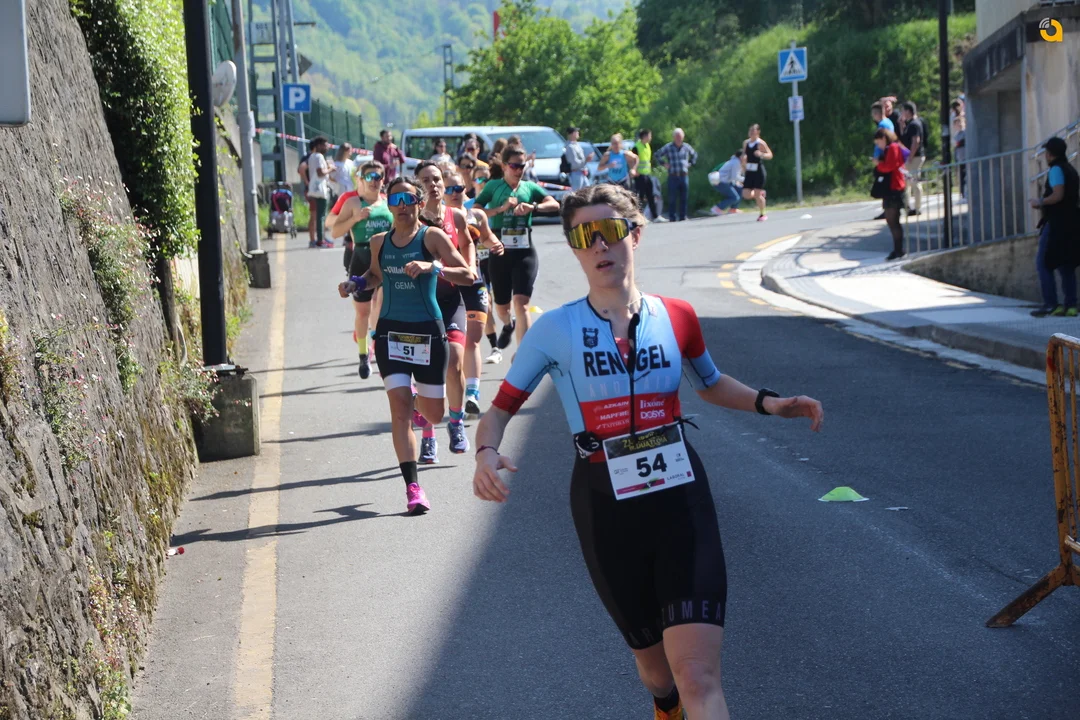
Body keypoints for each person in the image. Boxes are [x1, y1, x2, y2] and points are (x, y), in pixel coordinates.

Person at [472, 183, 824, 720]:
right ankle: (665, 706)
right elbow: (499, 411)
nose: (598, 245)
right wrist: (486, 452)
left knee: (697, 675)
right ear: (574, 248)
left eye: (609, 231)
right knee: (658, 674)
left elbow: (709, 383)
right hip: (604, 509)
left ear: (634, 235)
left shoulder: (676, 315)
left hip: (680, 498)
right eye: (583, 236)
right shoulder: (553, 330)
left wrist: (770, 403)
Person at [337, 176, 475, 513]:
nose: (401, 206)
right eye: (395, 200)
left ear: (419, 203)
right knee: (398, 411)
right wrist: (355, 284)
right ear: (389, 204)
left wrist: (435, 266)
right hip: (391, 334)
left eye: (408, 199)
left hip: (428, 332)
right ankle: (413, 488)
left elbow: (468, 274)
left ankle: (416, 401)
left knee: (434, 414)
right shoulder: (379, 242)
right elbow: (375, 275)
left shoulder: (432, 237)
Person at [474, 145, 560, 353]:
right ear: (504, 166)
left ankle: (523, 354)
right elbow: (476, 211)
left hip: (524, 251)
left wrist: (534, 207)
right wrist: (501, 209)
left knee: (521, 303)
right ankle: (508, 323)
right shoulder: (494, 186)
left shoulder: (529, 187)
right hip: (500, 252)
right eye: (514, 166)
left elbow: (554, 204)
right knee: (502, 307)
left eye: (522, 166)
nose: (519, 170)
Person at [416, 161, 473, 460]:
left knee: (455, 362)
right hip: (420, 304)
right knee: (426, 370)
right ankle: (428, 435)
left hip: (450, 300)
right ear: (418, 187)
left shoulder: (456, 215)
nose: (434, 185)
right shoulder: (410, 221)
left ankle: (456, 421)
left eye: (437, 179)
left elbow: (467, 242)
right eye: (426, 180)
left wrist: (470, 267)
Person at [444, 169, 505, 417]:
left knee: (473, 339)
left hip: (475, 283)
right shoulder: (437, 218)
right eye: (449, 189)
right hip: (448, 285)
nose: (455, 193)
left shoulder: (476, 215)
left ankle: (472, 393)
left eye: (459, 188)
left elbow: (488, 238)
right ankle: (449, 391)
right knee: (453, 346)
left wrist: (496, 245)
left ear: (466, 188)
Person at [330, 161, 394, 378]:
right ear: (362, 179)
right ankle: (363, 355)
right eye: (370, 177)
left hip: (386, 259)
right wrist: (355, 218)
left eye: (378, 177)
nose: (374, 181)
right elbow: (335, 232)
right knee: (363, 311)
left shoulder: (389, 203)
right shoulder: (353, 202)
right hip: (361, 257)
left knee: (382, 307)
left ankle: (379, 347)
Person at [1029, 136, 1080, 317]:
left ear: (1050, 154)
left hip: (1057, 223)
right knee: (1066, 264)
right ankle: (1071, 305)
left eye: (1046, 152)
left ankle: (1051, 304)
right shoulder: (1070, 169)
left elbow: (1058, 195)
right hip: (1072, 222)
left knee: (1044, 263)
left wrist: (1040, 202)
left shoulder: (1056, 170)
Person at [873, 128, 907, 261]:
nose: (878, 146)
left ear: (883, 138)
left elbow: (890, 166)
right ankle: (897, 249)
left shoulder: (893, 147)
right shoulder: (891, 148)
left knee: (893, 220)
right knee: (891, 220)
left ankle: (899, 249)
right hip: (892, 187)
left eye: (878, 142)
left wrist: (878, 165)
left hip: (894, 186)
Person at [655, 128, 698, 222]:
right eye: (677, 136)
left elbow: (694, 154)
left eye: (680, 137)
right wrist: (664, 163)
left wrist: (690, 163)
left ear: (683, 137)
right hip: (673, 175)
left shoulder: (686, 147)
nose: (679, 138)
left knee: (684, 197)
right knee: (672, 198)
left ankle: (683, 216)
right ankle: (672, 217)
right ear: (673, 137)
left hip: (684, 175)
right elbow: (657, 155)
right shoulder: (668, 147)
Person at [306, 136, 334, 248]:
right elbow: (320, 173)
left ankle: (319, 238)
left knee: (317, 215)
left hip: (314, 189)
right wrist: (330, 168)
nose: (327, 147)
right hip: (321, 190)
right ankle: (320, 240)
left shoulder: (312, 156)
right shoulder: (319, 156)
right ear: (319, 146)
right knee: (321, 216)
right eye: (325, 145)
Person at [741, 125, 773, 222]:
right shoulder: (746, 143)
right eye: (750, 131)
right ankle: (760, 194)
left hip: (758, 171)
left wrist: (761, 154)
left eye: (753, 131)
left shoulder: (760, 143)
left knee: (757, 194)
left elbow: (770, 155)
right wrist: (743, 160)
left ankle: (763, 214)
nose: (751, 133)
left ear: (758, 132)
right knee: (745, 194)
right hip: (749, 171)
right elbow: (744, 154)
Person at [899, 102, 926, 217]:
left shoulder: (915, 124)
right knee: (907, 182)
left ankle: (917, 207)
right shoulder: (910, 124)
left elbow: (916, 141)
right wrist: (902, 125)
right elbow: (904, 137)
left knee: (914, 181)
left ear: (908, 111)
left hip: (915, 157)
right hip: (912, 156)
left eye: (903, 111)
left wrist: (910, 157)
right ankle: (908, 207)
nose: (902, 113)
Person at [634, 129, 663, 222]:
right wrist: (635, 171)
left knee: (651, 195)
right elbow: (632, 160)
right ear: (644, 136)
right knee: (640, 197)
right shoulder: (636, 147)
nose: (650, 137)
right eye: (649, 135)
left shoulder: (647, 146)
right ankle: (640, 217)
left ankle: (655, 216)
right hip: (639, 175)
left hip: (647, 174)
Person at [709, 150, 744, 215]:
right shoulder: (736, 162)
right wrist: (746, 180)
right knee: (734, 197)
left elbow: (733, 176)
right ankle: (717, 208)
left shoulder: (735, 161)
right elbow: (734, 176)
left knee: (741, 190)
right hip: (720, 182)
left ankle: (733, 209)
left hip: (727, 181)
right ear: (741, 156)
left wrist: (739, 182)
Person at [564, 126, 593, 191]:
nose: (578, 133)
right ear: (571, 134)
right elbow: (574, 164)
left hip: (582, 172)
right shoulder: (570, 147)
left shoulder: (576, 145)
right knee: (576, 192)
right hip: (576, 173)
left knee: (588, 190)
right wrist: (586, 160)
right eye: (576, 132)